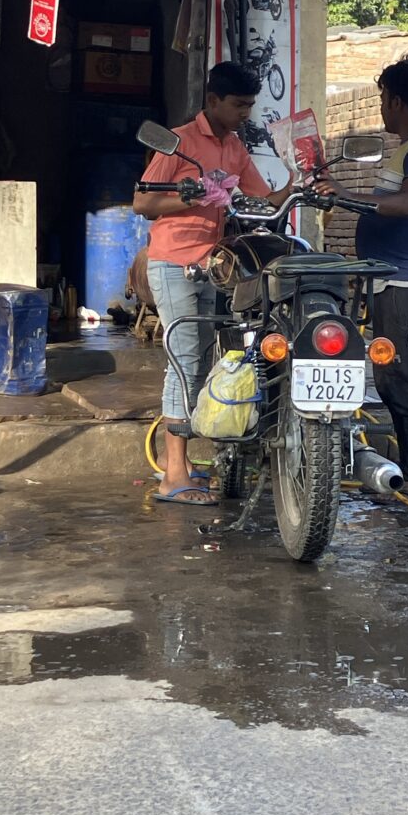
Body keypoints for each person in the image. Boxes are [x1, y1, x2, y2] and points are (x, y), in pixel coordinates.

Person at [133, 62, 290, 506]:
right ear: (214, 101)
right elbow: (142, 202)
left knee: (208, 360)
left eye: (250, 106)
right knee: (183, 361)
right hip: (172, 263)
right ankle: (173, 477)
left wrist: (299, 179)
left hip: (215, 264)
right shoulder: (179, 142)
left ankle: (182, 464)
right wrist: (188, 196)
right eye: (239, 104)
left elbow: (263, 200)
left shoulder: (235, 147)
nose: (245, 112)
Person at [316, 53, 408, 502]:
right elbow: (388, 203)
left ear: (395, 100)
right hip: (392, 281)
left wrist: (346, 195)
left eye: (381, 98)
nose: (381, 107)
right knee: (392, 378)